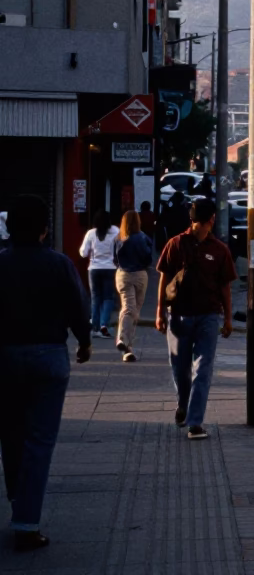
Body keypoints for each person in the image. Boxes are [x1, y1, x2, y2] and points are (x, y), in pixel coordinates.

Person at [0, 196, 91, 553]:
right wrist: (84, 341)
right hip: (50, 358)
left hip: (5, 358)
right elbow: (76, 305)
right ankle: (26, 521)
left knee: (10, 435)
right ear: (44, 228)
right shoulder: (59, 264)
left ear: (8, 228)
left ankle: (17, 502)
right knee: (39, 442)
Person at [155, 198, 236, 440]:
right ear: (210, 219)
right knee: (180, 369)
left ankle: (195, 422)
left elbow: (225, 287)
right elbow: (164, 278)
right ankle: (184, 404)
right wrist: (160, 311)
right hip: (178, 316)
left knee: (202, 370)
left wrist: (228, 318)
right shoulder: (176, 244)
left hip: (208, 317)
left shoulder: (219, 250)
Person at [114, 210, 154, 362]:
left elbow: (114, 259)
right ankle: (123, 340)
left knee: (128, 308)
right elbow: (148, 257)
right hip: (139, 274)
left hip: (122, 274)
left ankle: (127, 349)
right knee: (133, 309)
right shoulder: (143, 237)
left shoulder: (118, 238)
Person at [78, 210, 119, 339]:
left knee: (95, 298)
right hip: (111, 268)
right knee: (108, 298)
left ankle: (94, 327)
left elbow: (83, 253)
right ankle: (104, 324)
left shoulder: (91, 233)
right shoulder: (116, 231)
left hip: (94, 269)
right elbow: (121, 248)